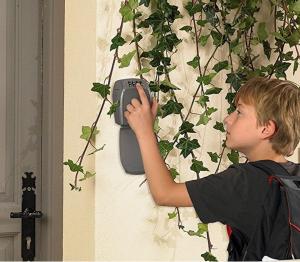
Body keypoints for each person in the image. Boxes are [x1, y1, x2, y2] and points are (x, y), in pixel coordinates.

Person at [123, 76, 300, 260]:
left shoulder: (244, 181)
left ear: (266, 129)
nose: (227, 119)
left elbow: (164, 193)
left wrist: (144, 132)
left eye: (239, 112)